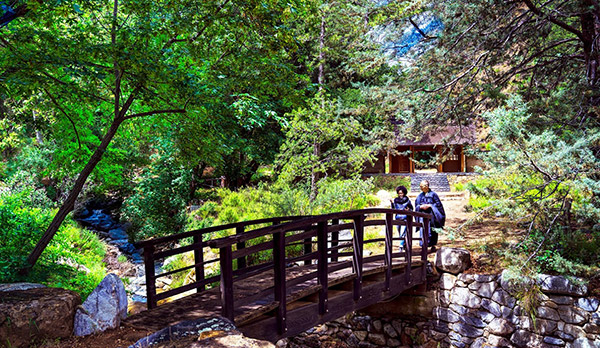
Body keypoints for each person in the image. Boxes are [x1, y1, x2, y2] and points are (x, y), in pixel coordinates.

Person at [415, 180, 445, 251]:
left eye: (422, 186)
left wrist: (430, 206)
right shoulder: (420, 196)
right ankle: (423, 245)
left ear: (427, 186)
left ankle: (432, 245)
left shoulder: (433, 194)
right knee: (423, 229)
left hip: (432, 216)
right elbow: (416, 205)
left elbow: (438, 205)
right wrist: (420, 207)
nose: (421, 188)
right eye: (420, 186)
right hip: (423, 215)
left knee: (432, 230)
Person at [390, 185, 413, 251]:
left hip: (404, 218)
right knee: (400, 232)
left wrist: (408, 210)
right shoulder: (396, 200)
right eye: (399, 193)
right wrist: (392, 203)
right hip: (398, 218)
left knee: (402, 233)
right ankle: (405, 243)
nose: (400, 194)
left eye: (402, 193)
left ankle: (401, 246)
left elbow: (411, 208)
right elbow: (393, 209)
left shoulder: (407, 200)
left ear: (404, 193)